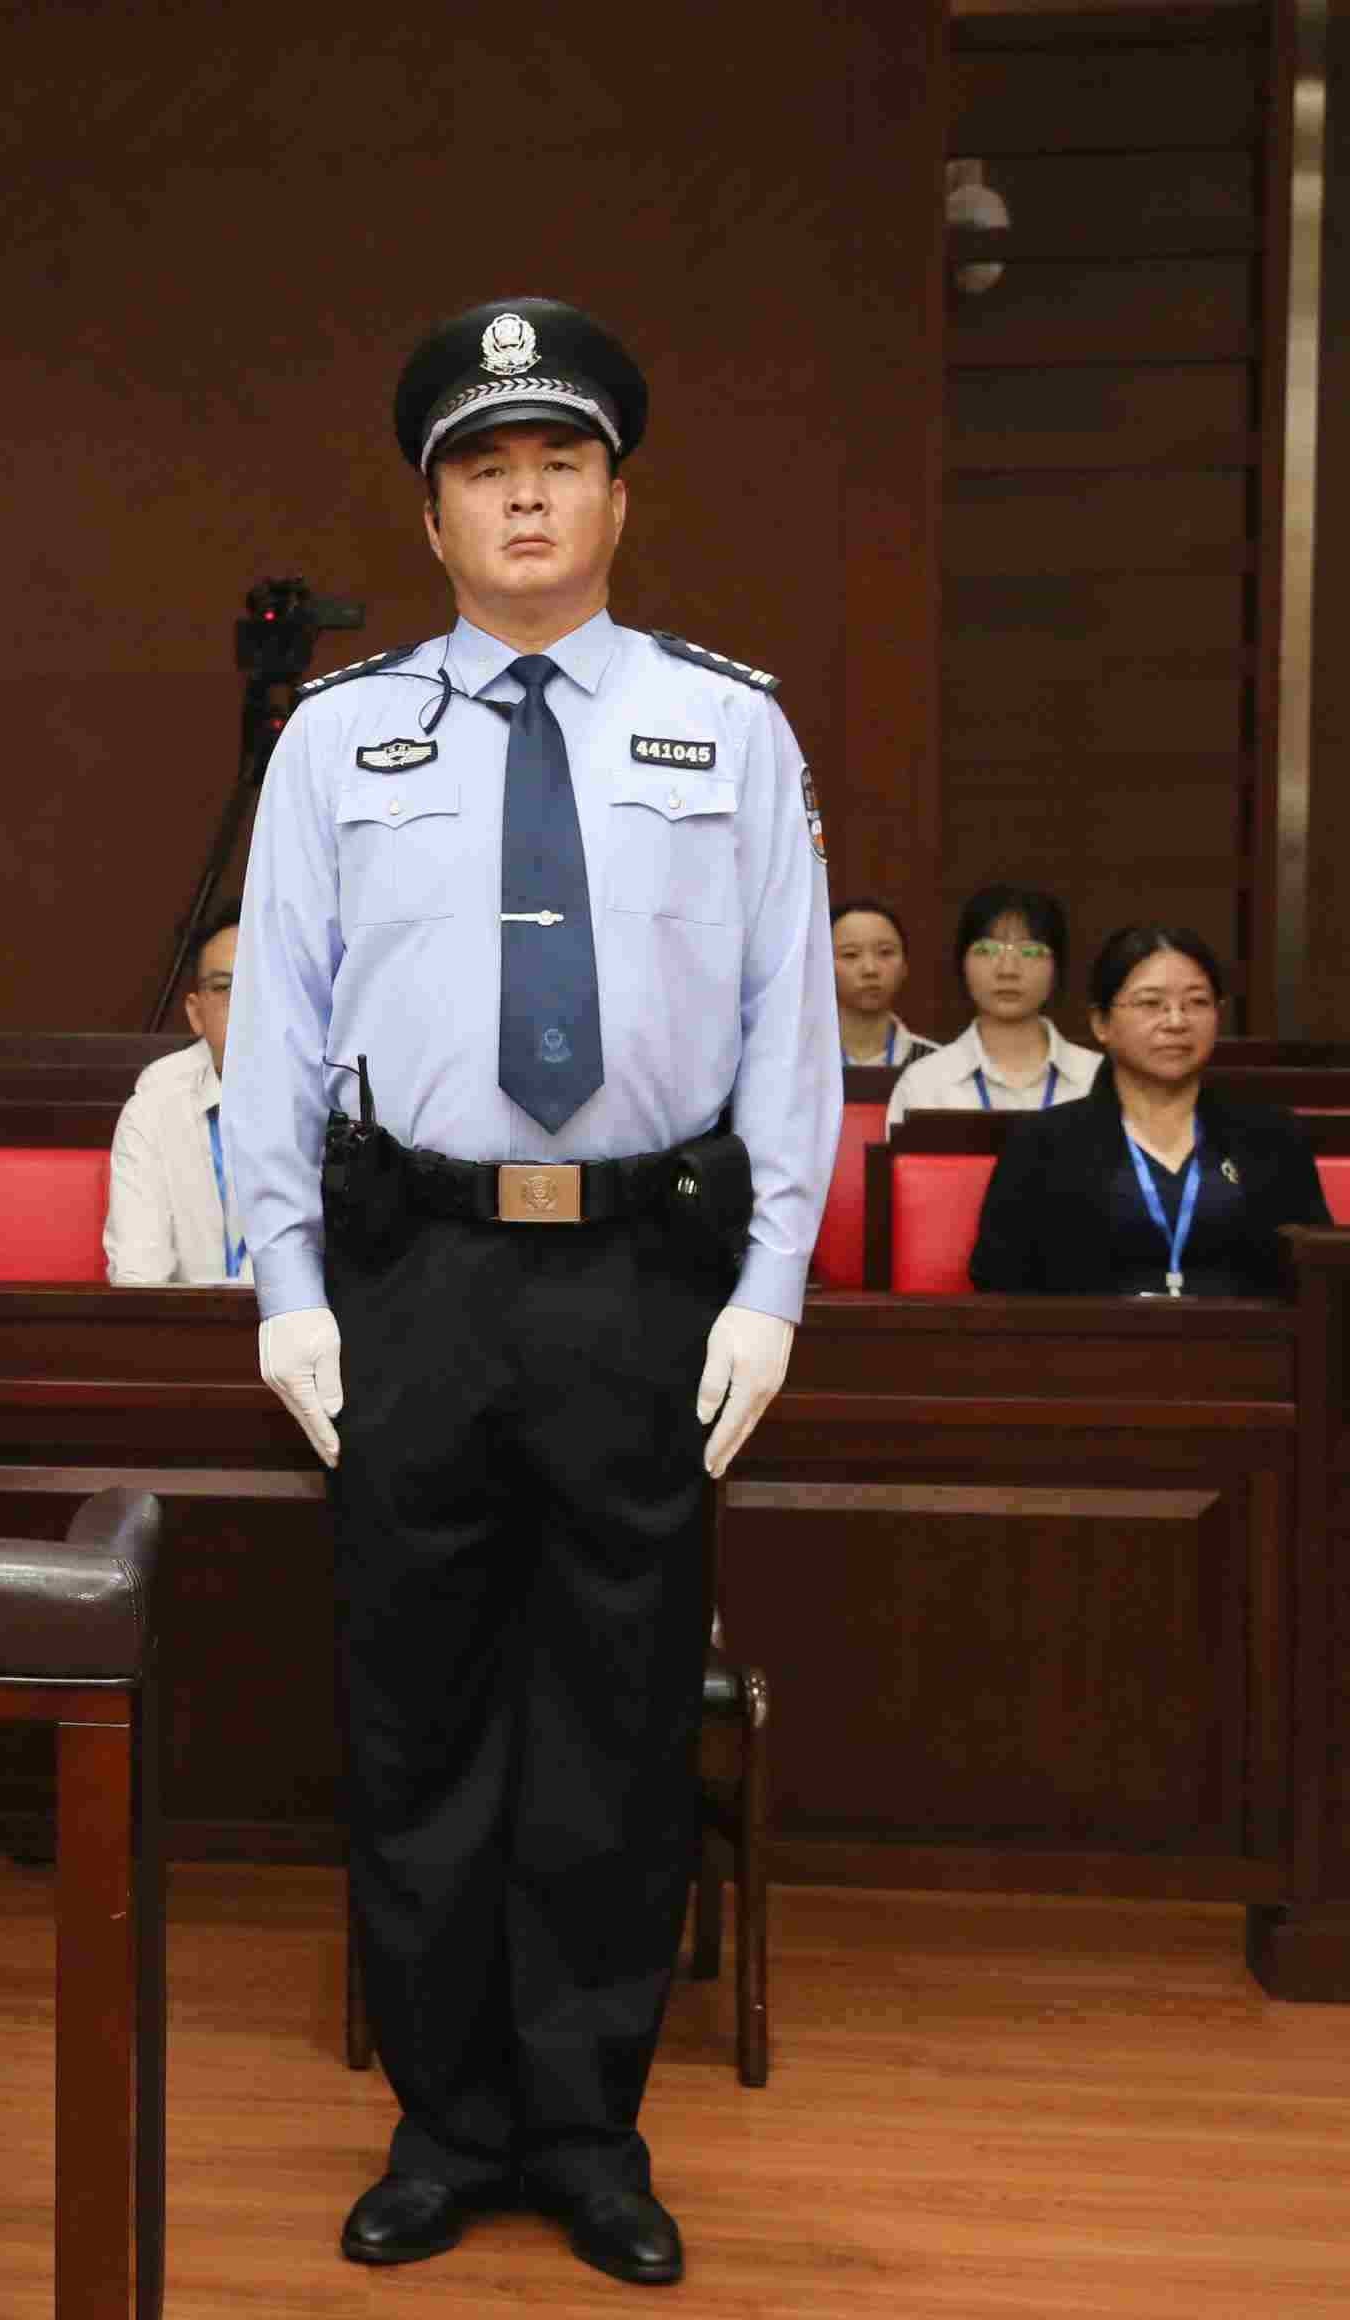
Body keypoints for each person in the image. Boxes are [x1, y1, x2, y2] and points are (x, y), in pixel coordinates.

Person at [224, 299, 835, 2289]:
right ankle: (444, 2119)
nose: (525, 497)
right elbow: (274, 1028)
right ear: (433, 517)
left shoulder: (730, 729)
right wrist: (285, 1283)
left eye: (558, 461)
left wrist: (771, 1285)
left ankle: (586, 2128)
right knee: (417, 1710)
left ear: (617, 496)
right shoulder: (342, 736)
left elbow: (792, 1032)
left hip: (644, 1275)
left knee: (618, 1717)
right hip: (415, 1269)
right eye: (484, 469)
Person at [971, 926, 1331, 1297]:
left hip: (1246, 1334)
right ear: (1101, 1023)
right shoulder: (1042, 1144)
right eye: (1150, 1003)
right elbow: (998, 1277)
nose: (1176, 1021)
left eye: (1197, 1002)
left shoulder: (1271, 1136)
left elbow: (1316, 1271)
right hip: (1090, 1334)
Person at [105, 898, 253, 1285]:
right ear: (196, 1013)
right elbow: (138, 1277)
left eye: (261, 980)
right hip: (182, 1323)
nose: (246, 1001)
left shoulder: (334, 1097)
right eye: (224, 987)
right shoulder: (155, 1105)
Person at [885, 884, 1095, 1123]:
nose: (1008, 970)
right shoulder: (924, 1083)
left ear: (1057, 969)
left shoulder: (1096, 1079)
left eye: (1030, 951)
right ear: (962, 965)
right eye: (986, 950)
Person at [829, 897, 935, 1066]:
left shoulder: (936, 1063)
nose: (870, 969)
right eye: (850, 954)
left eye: (885, 952)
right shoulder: (796, 1060)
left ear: (905, 966)